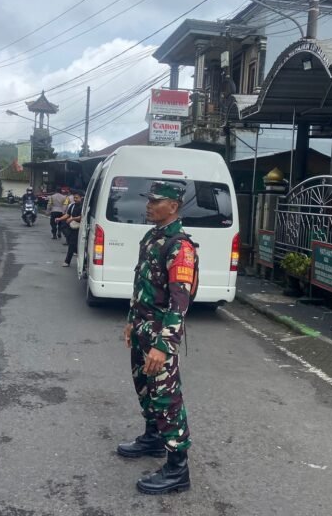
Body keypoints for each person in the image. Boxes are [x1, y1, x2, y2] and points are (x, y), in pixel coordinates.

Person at [118, 181, 195, 495]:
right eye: (148, 200)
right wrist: (130, 321)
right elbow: (142, 286)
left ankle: (178, 469)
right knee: (145, 389)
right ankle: (153, 439)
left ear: (173, 206)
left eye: (155, 201)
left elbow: (180, 301)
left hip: (159, 336)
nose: (148, 206)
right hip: (141, 329)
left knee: (166, 398)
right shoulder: (152, 237)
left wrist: (164, 346)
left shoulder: (180, 246)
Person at [56, 191, 83, 267]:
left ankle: (69, 261)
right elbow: (67, 214)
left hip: (80, 228)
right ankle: (70, 258)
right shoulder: (72, 206)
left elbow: (82, 217)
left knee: (73, 244)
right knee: (71, 243)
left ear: (81, 198)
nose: (75, 199)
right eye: (74, 197)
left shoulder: (83, 206)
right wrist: (60, 219)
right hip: (72, 227)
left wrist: (72, 219)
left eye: (77, 198)